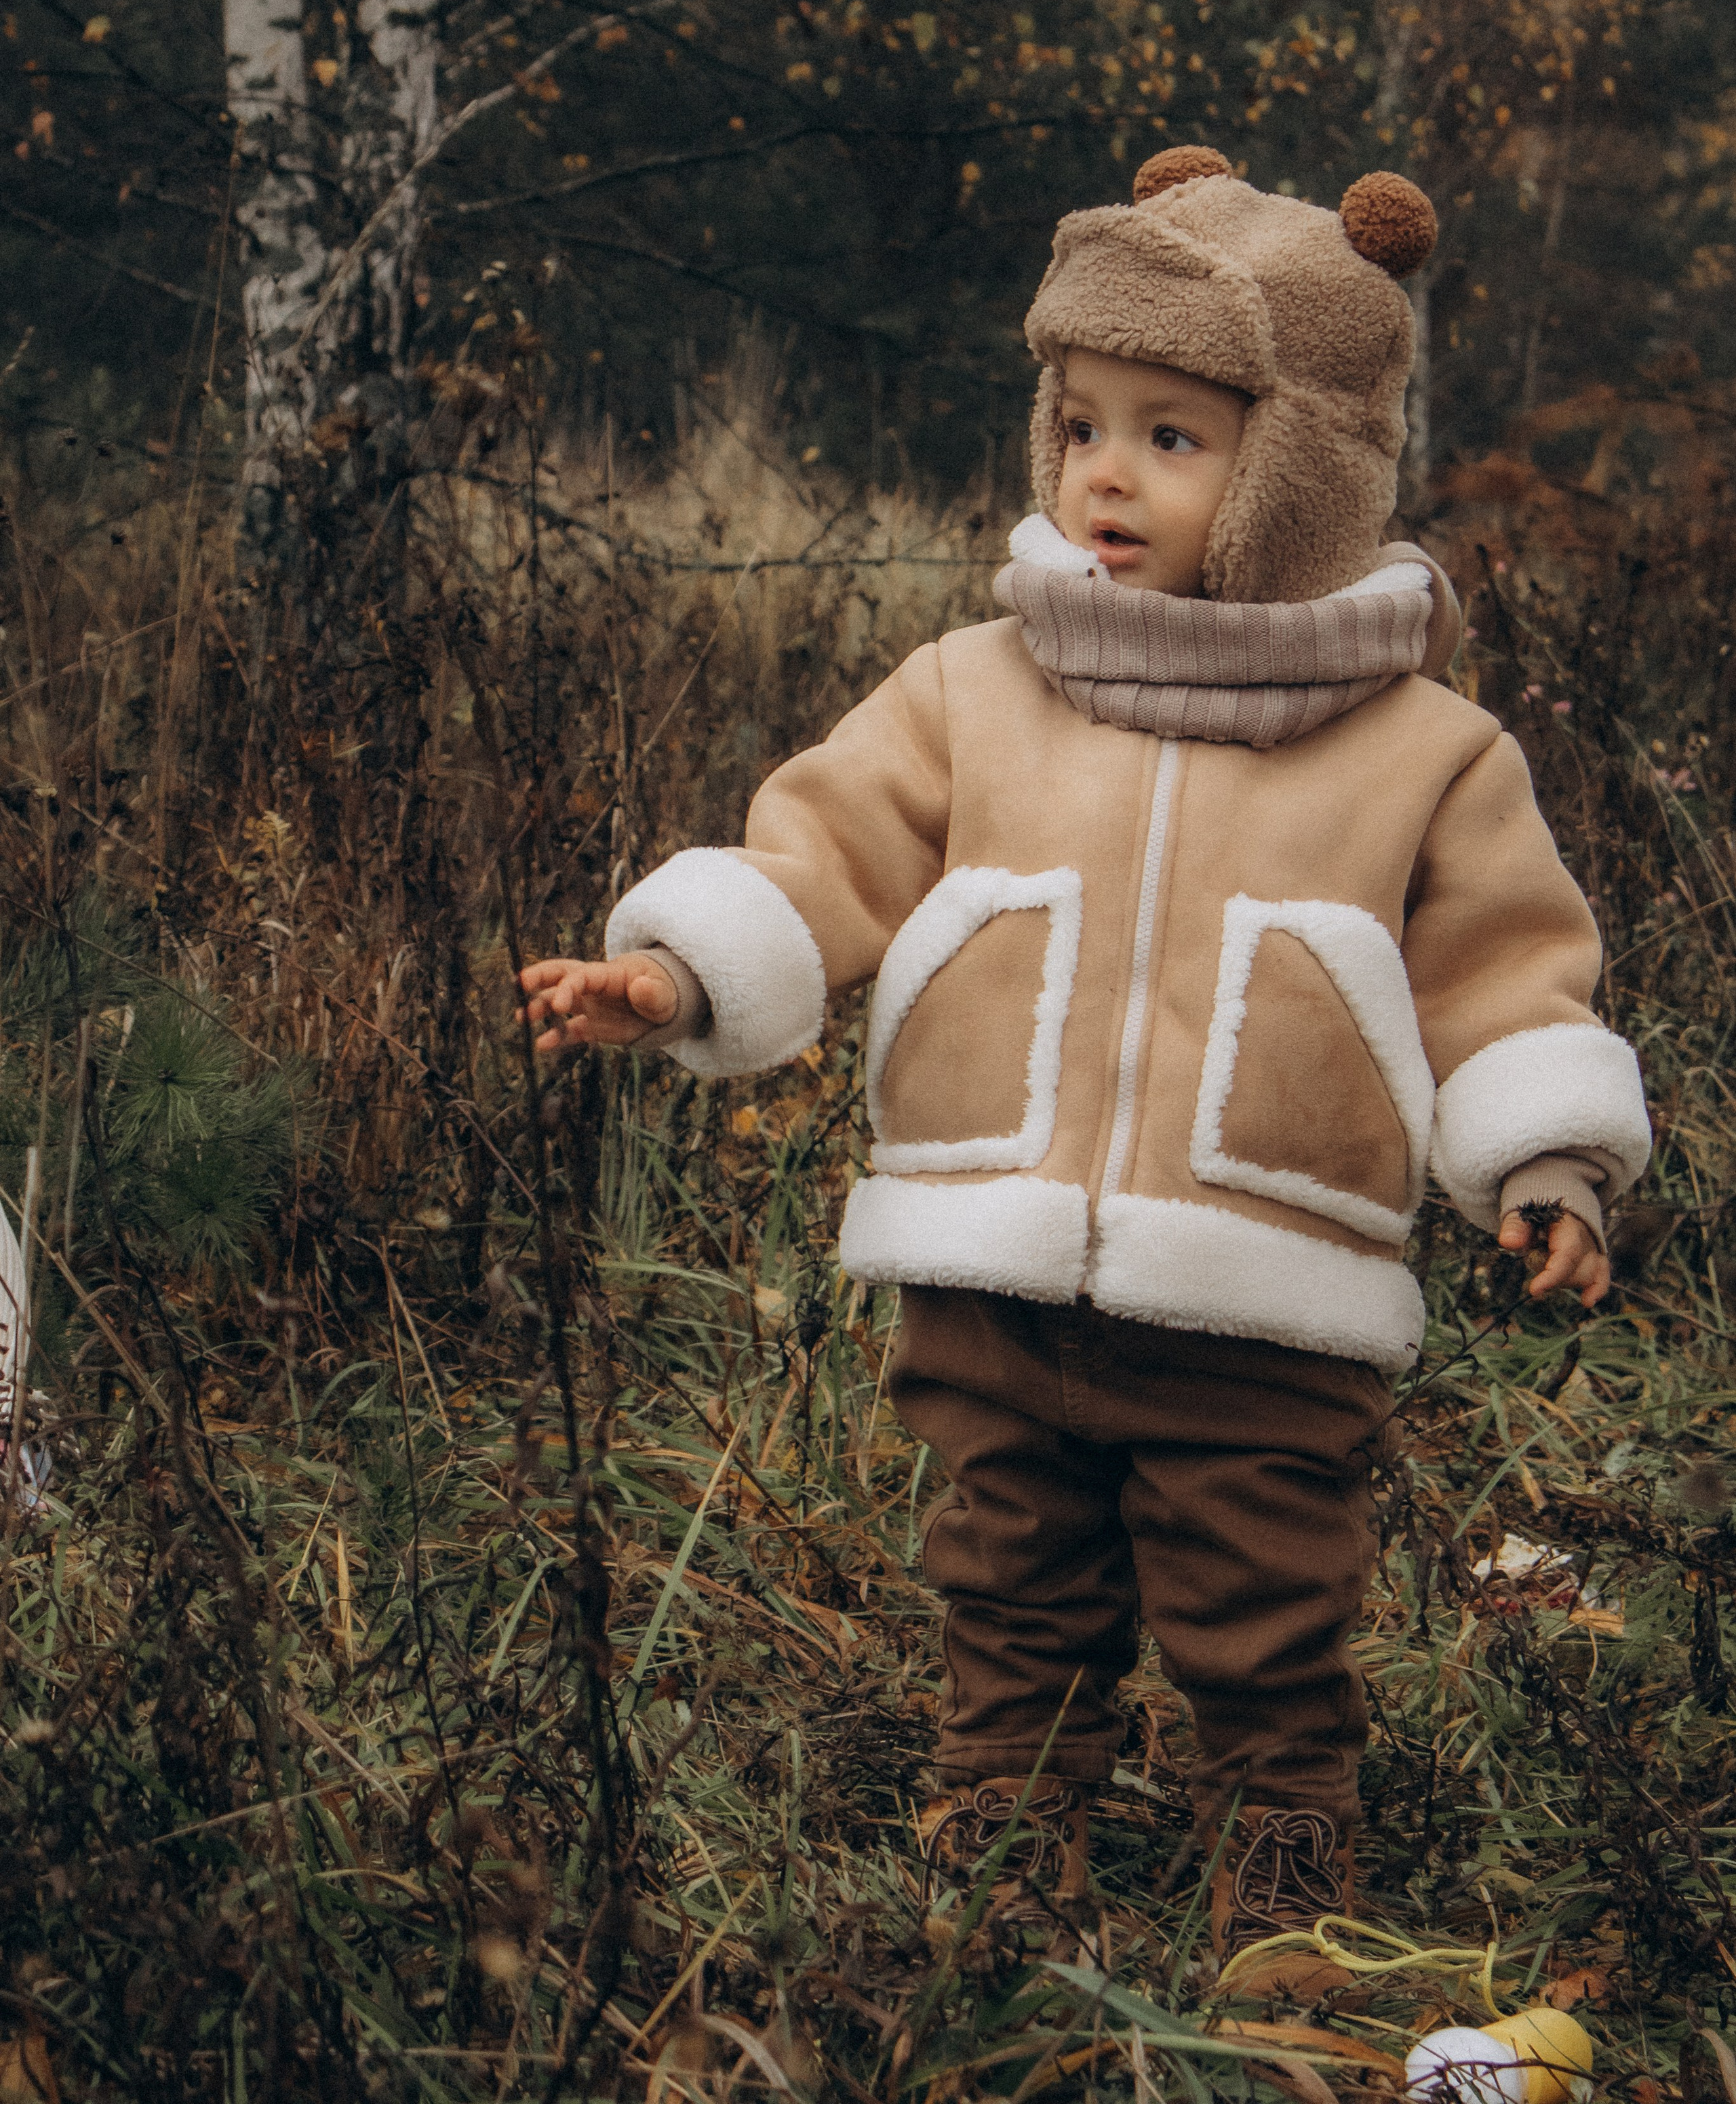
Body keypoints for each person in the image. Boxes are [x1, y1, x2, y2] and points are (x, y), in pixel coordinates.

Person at [519, 145, 1650, 2000]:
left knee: (1265, 1612)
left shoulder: (1427, 751)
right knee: (1009, 1582)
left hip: (1266, 1292)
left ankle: (1288, 1901)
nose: (1104, 476)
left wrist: (1547, 1165)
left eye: (1175, 439)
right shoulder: (981, 681)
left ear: (1299, 478)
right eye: (1081, 424)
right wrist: (677, 967)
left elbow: (1506, 975)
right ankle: (1003, 1868)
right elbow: (828, 853)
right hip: (993, 1254)